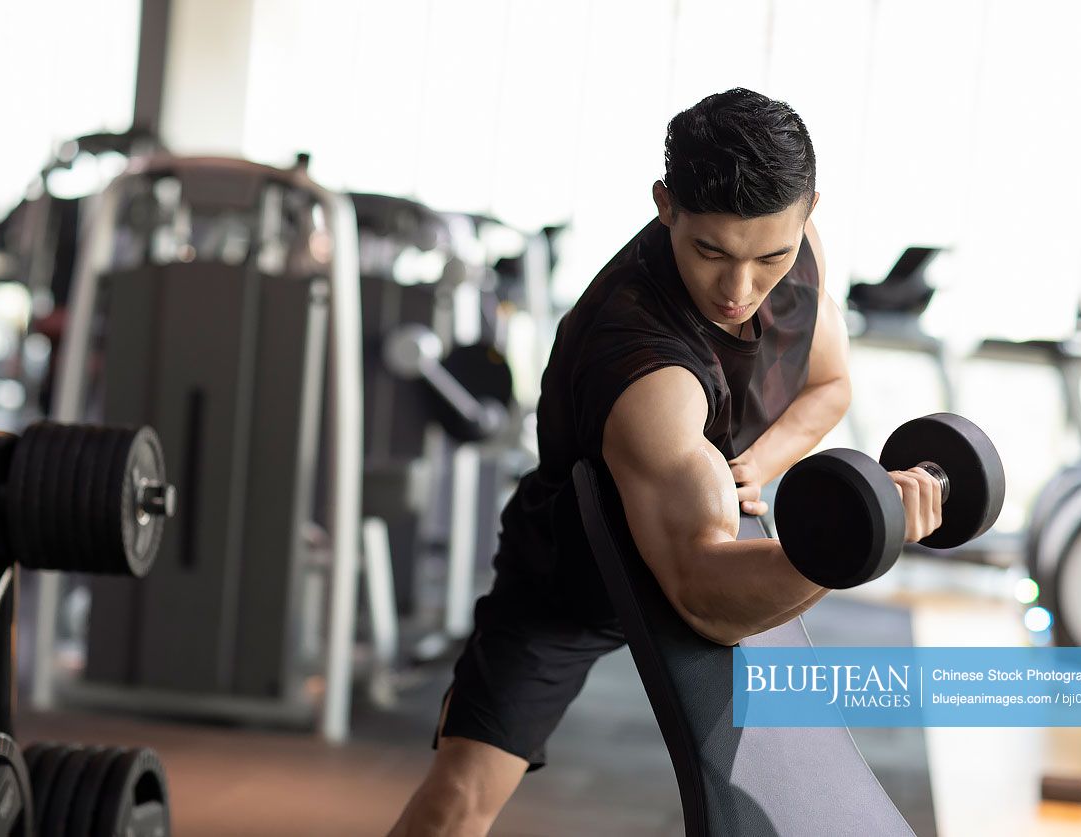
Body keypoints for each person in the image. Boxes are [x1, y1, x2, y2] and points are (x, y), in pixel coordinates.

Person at [388, 88, 943, 837]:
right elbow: (700, 592)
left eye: (768, 256)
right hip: (575, 577)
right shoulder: (644, 370)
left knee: (773, 800)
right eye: (710, 251)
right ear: (664, 206)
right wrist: (848, 546)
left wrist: (752, 462)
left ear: (807, 212)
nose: (739, 290)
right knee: (457, 802)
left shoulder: (799, 254)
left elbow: (827, 383)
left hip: (706, 523)